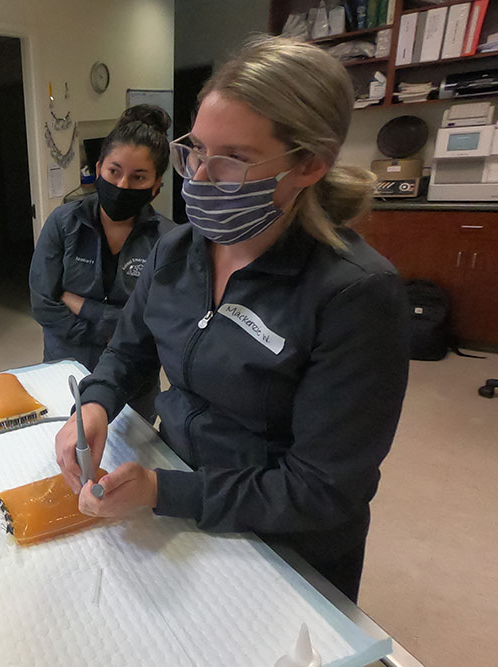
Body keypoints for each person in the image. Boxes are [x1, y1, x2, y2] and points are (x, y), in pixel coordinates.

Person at [54, 36, 410, 603]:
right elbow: (128, 351)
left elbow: (322, 490)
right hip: (177, 490)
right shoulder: (176, 252)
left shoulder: (355, 296)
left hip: (287, 542)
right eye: (195, 150)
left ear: (309, 164)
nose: (197, 176)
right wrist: (94, 405)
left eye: (234, 160)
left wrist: (164, 492)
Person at [29, 105, 176, 419]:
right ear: (98, 169)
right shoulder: (64, 223)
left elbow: (158, 323)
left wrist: (84, 306)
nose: (123, 185)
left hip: (133, 384)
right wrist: (114, 330)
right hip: (66, 369)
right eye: (114, 171)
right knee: (65, 450)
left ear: (156, 185)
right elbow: (43, 304)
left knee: (129, 460)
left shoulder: (168, 240)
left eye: (138, 177)